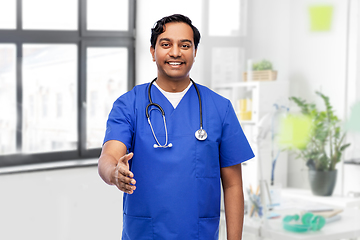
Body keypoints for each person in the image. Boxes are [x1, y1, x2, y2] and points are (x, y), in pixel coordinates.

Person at [98, 14, 254, 240]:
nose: (175, 52)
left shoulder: (220, 108)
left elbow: (232, 186)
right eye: (166, 44)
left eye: (185, 45)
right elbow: (108, 157)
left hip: (198, 234)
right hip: (144, 234)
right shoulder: (129, 104)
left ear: (195, 52)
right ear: (153, 52)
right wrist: (114, 173)